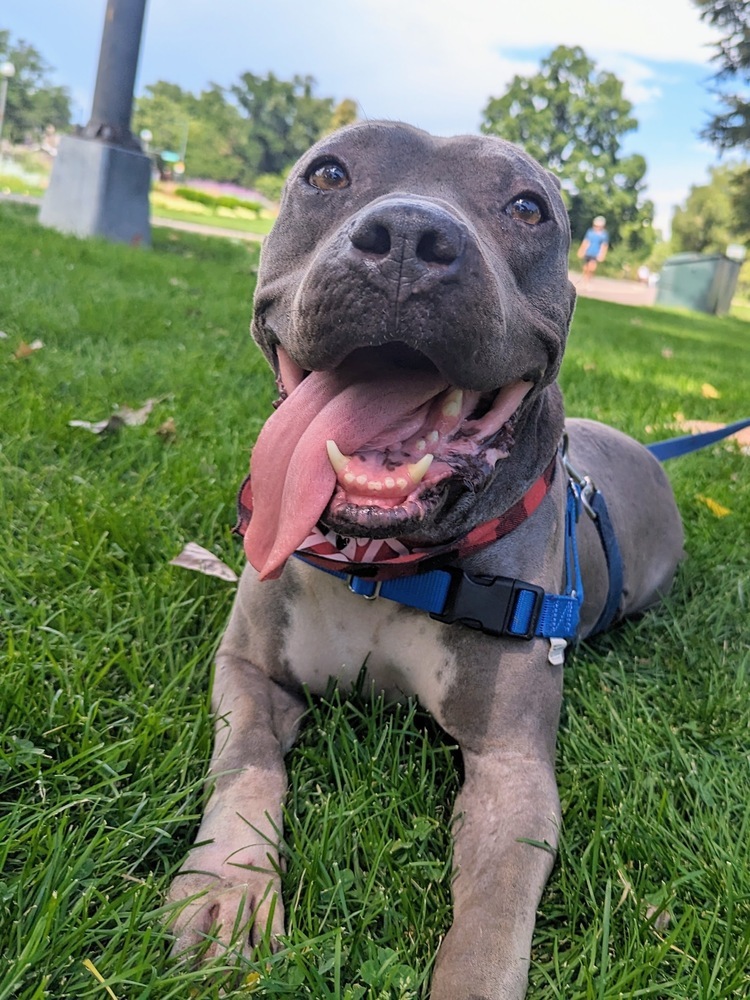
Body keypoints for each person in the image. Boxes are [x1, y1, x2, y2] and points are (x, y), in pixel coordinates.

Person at [577, 215, 609, 286]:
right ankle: (585, 280)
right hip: (588, 252)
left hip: (595, 253)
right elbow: (586, 241)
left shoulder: (604, 234)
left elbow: (604, 245)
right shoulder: (590, 232)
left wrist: (602, 254)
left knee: (592, 268)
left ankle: (589, 280)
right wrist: (581, 250)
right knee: (585, 268)